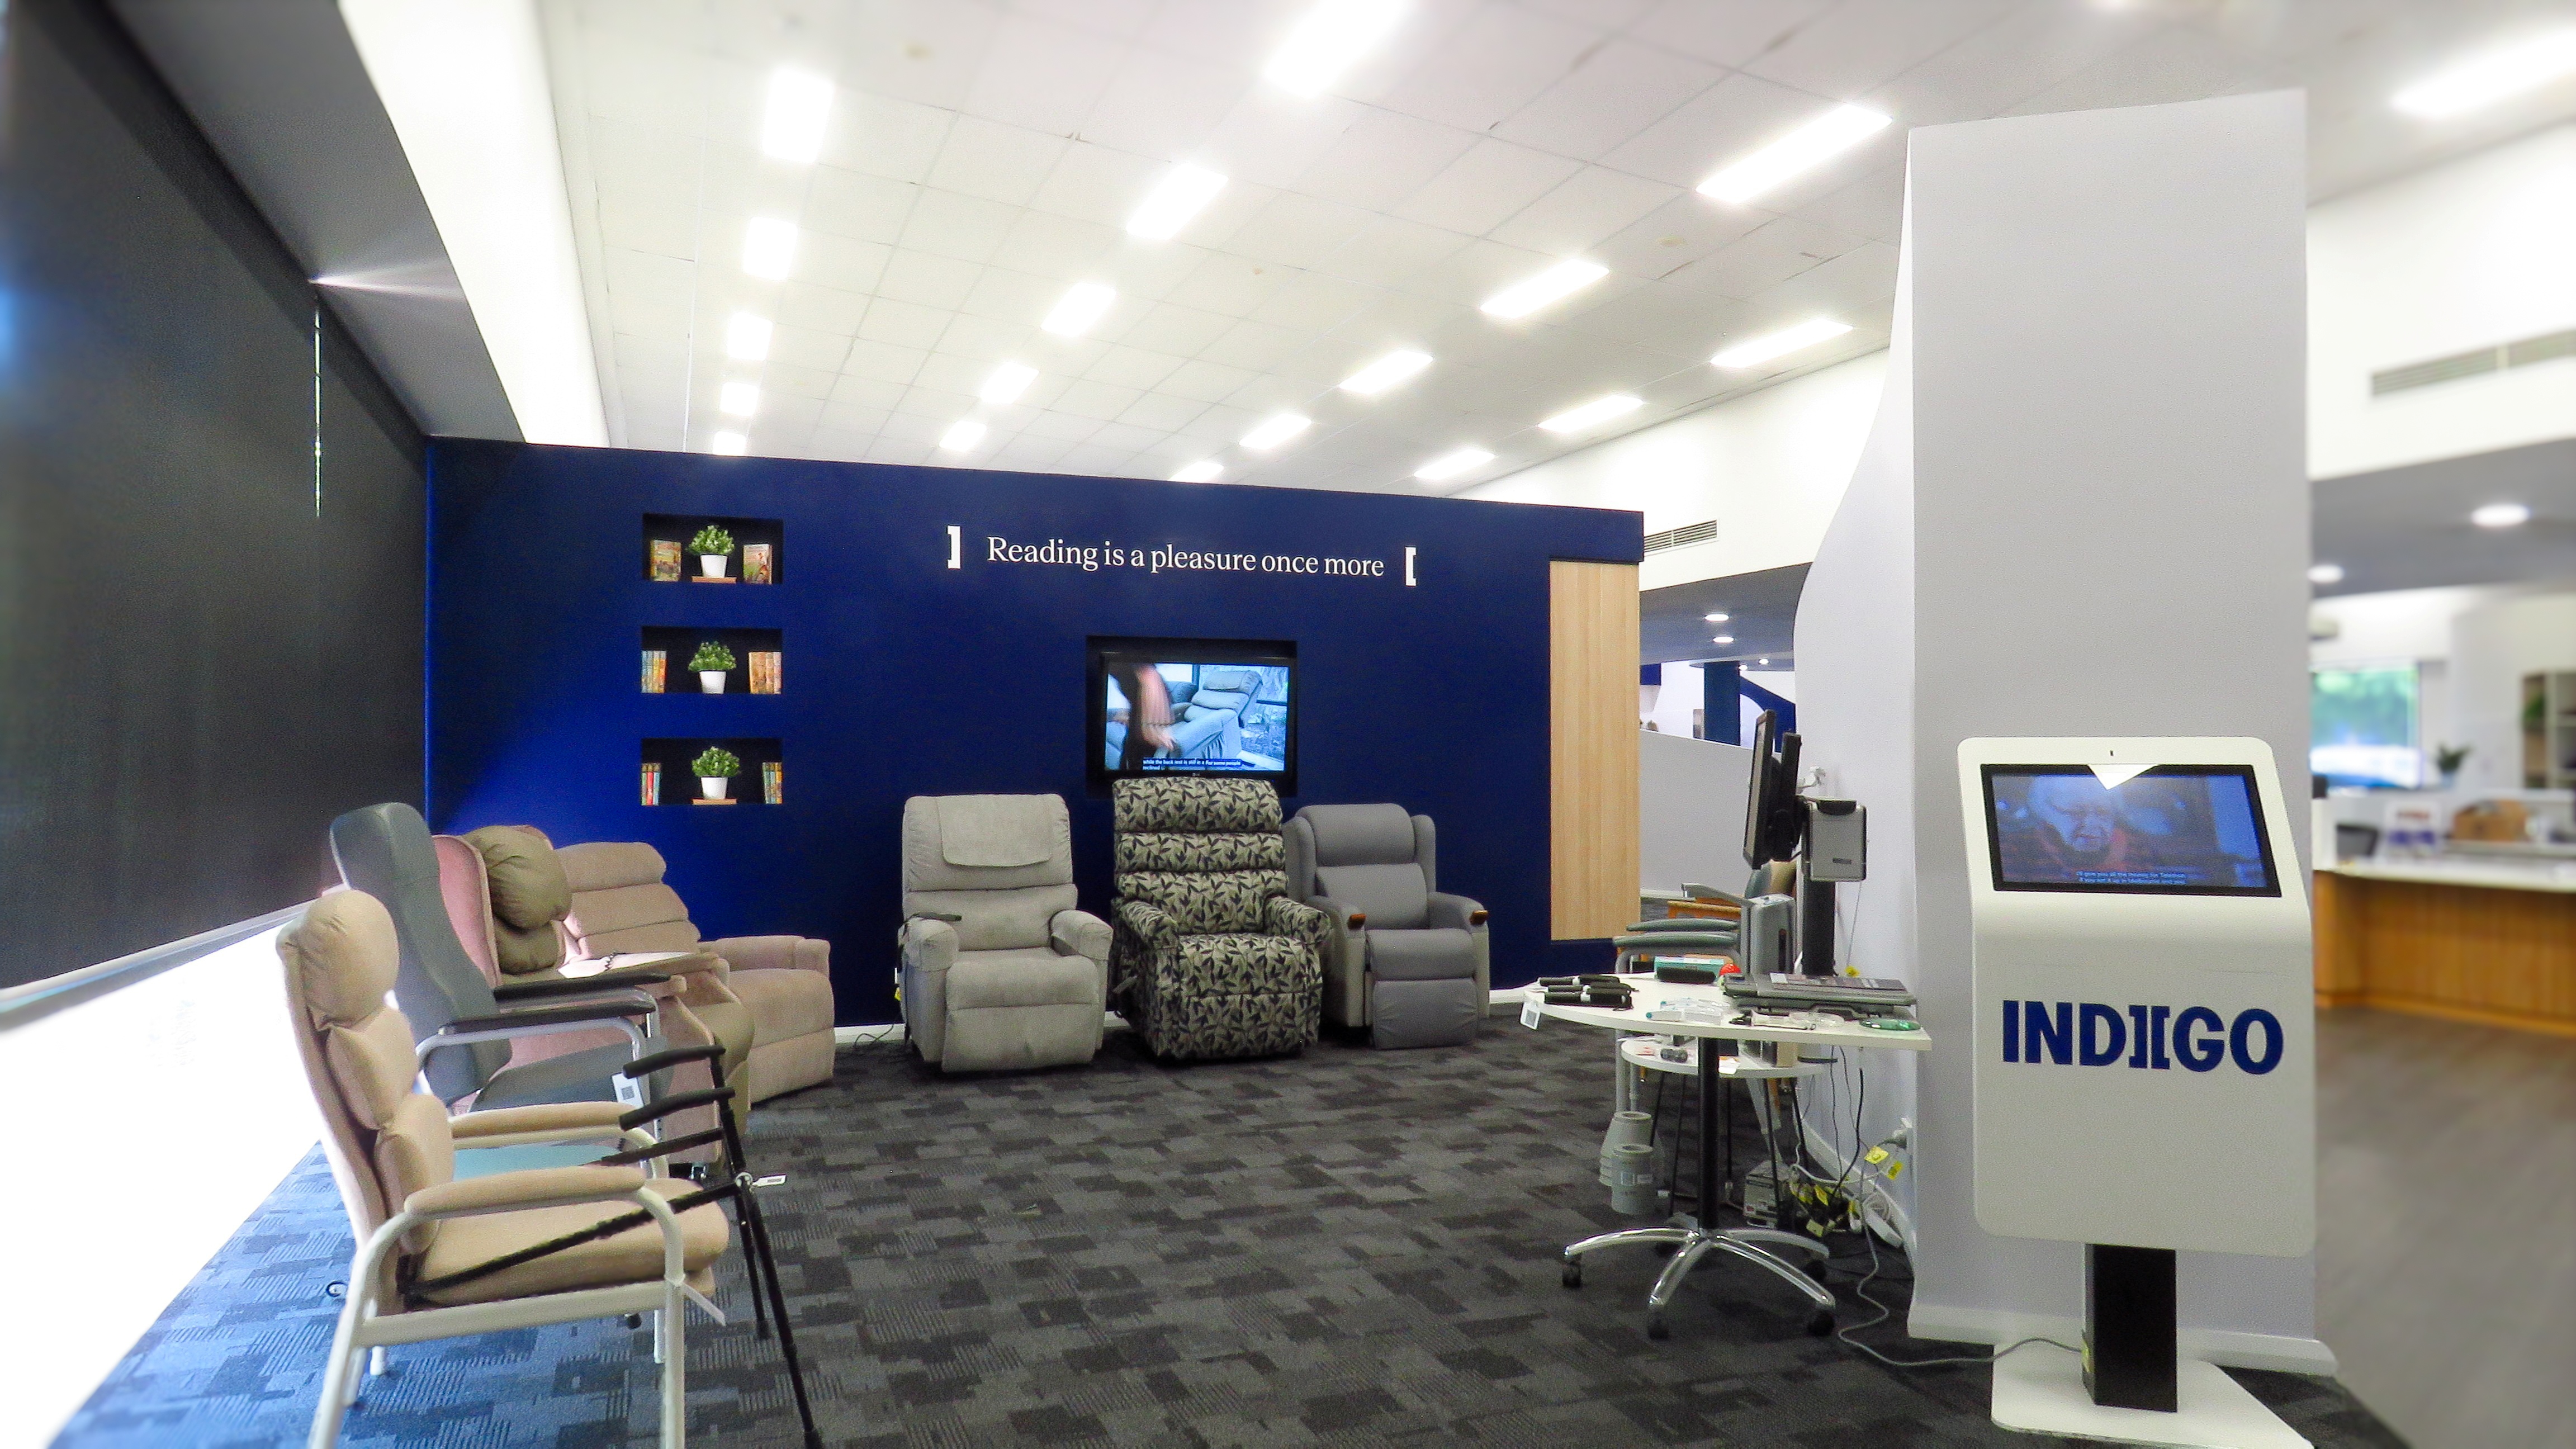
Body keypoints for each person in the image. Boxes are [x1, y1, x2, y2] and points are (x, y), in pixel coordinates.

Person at [1997, 775, 2182, 884]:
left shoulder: (2138, 848)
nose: (2091, 824)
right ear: (2044, 813)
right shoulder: (2014, 850)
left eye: (2103, 812)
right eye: (2075, 812)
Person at [1109, 662, 1176, 773]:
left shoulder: (1144, 670)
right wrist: (1129, 711)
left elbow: (1148, 674)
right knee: (1131, 754)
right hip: (1141, 699)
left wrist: (1155, 724)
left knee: (1139, 757)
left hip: (1151, 698)